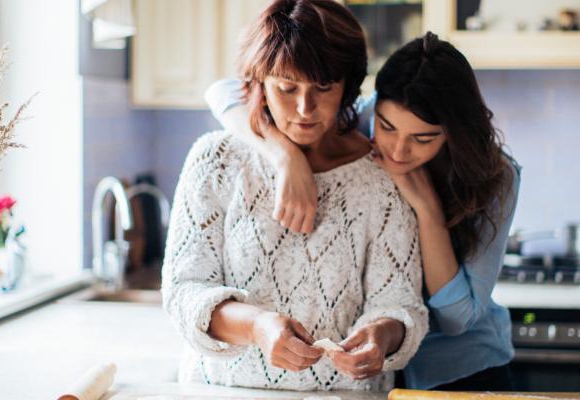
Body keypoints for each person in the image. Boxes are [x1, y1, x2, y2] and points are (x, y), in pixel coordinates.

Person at [205, 31, 520, 391]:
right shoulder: (358, 120)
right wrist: (284, 157)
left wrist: (428, 211)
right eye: (387, 127)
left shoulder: (496, 176)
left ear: (452, 133)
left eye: (423, 138)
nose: (399, 150)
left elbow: (457, 319)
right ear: (375, 106)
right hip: (369, 375)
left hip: (459, 370)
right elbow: (224, 92)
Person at [162, 0, 428, 392]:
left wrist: (381, 336)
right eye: (287, 88)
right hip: (222, 391)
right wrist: (256, 326)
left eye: (324, 88)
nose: (305, 109)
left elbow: (402, 304)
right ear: (259, 85)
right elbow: (184, 291)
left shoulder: (381, 177)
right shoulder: (216, 160)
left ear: (348, 87)